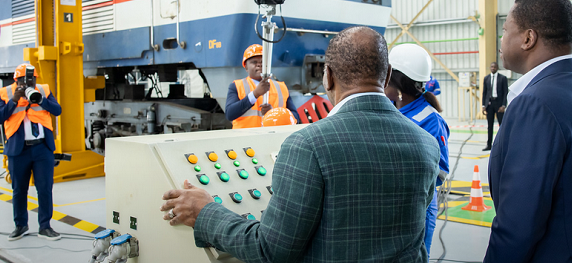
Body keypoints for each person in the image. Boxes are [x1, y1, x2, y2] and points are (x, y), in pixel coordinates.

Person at [161, 26, 440, 262]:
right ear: (387, 75)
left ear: (327, 76)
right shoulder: (426, 144)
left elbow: (270, 249)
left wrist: (206, 212)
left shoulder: (307, 145)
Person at [484, 0, 572, 262]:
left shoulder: (536, 103)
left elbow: (518, 225)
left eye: (506, 30)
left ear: (528, 39)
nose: (501, 40)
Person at [385, 44, 450, 257]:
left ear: (399, 86)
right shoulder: (395, 110)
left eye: (387, 78)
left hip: (417, 208)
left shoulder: (430, 120)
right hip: (392, 204)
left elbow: (439, 171)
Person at [0, 64, 62, 241]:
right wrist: (14, 101)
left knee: (44, 188)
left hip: (42, 148)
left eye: (31, 79)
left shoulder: (43, 90)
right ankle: (20, 225)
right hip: (18, 150)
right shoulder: (5, 93)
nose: (27, 83)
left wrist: (41, 100)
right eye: (23, 80)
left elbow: (57, 110)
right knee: (19, 189)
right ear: (16, 80)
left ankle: (45, 226)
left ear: (36, 79)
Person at [225, 44, 299, 128]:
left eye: (263, 62)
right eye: (254, 62)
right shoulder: (236, 86)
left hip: (274, 137)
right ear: (246, 67)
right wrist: (255, 94)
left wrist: (275, 113)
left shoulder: (281, 87)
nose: (259, 65)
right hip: (246, 138)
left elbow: (295, 117)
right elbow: (230, 114)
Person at [480, 62, 508, 151]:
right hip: (489, 104)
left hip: (499, 104)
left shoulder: (503, 78)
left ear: (497, 68)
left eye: (494, 67)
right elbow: (484, 92)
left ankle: (503, 145)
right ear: (490, 68)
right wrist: (483, 105)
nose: (493, 68)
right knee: (489, 125)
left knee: (502, 125)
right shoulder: (486, 78)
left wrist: (503, 105)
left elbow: (505, 93)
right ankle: (489, 145)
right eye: (491, 66)